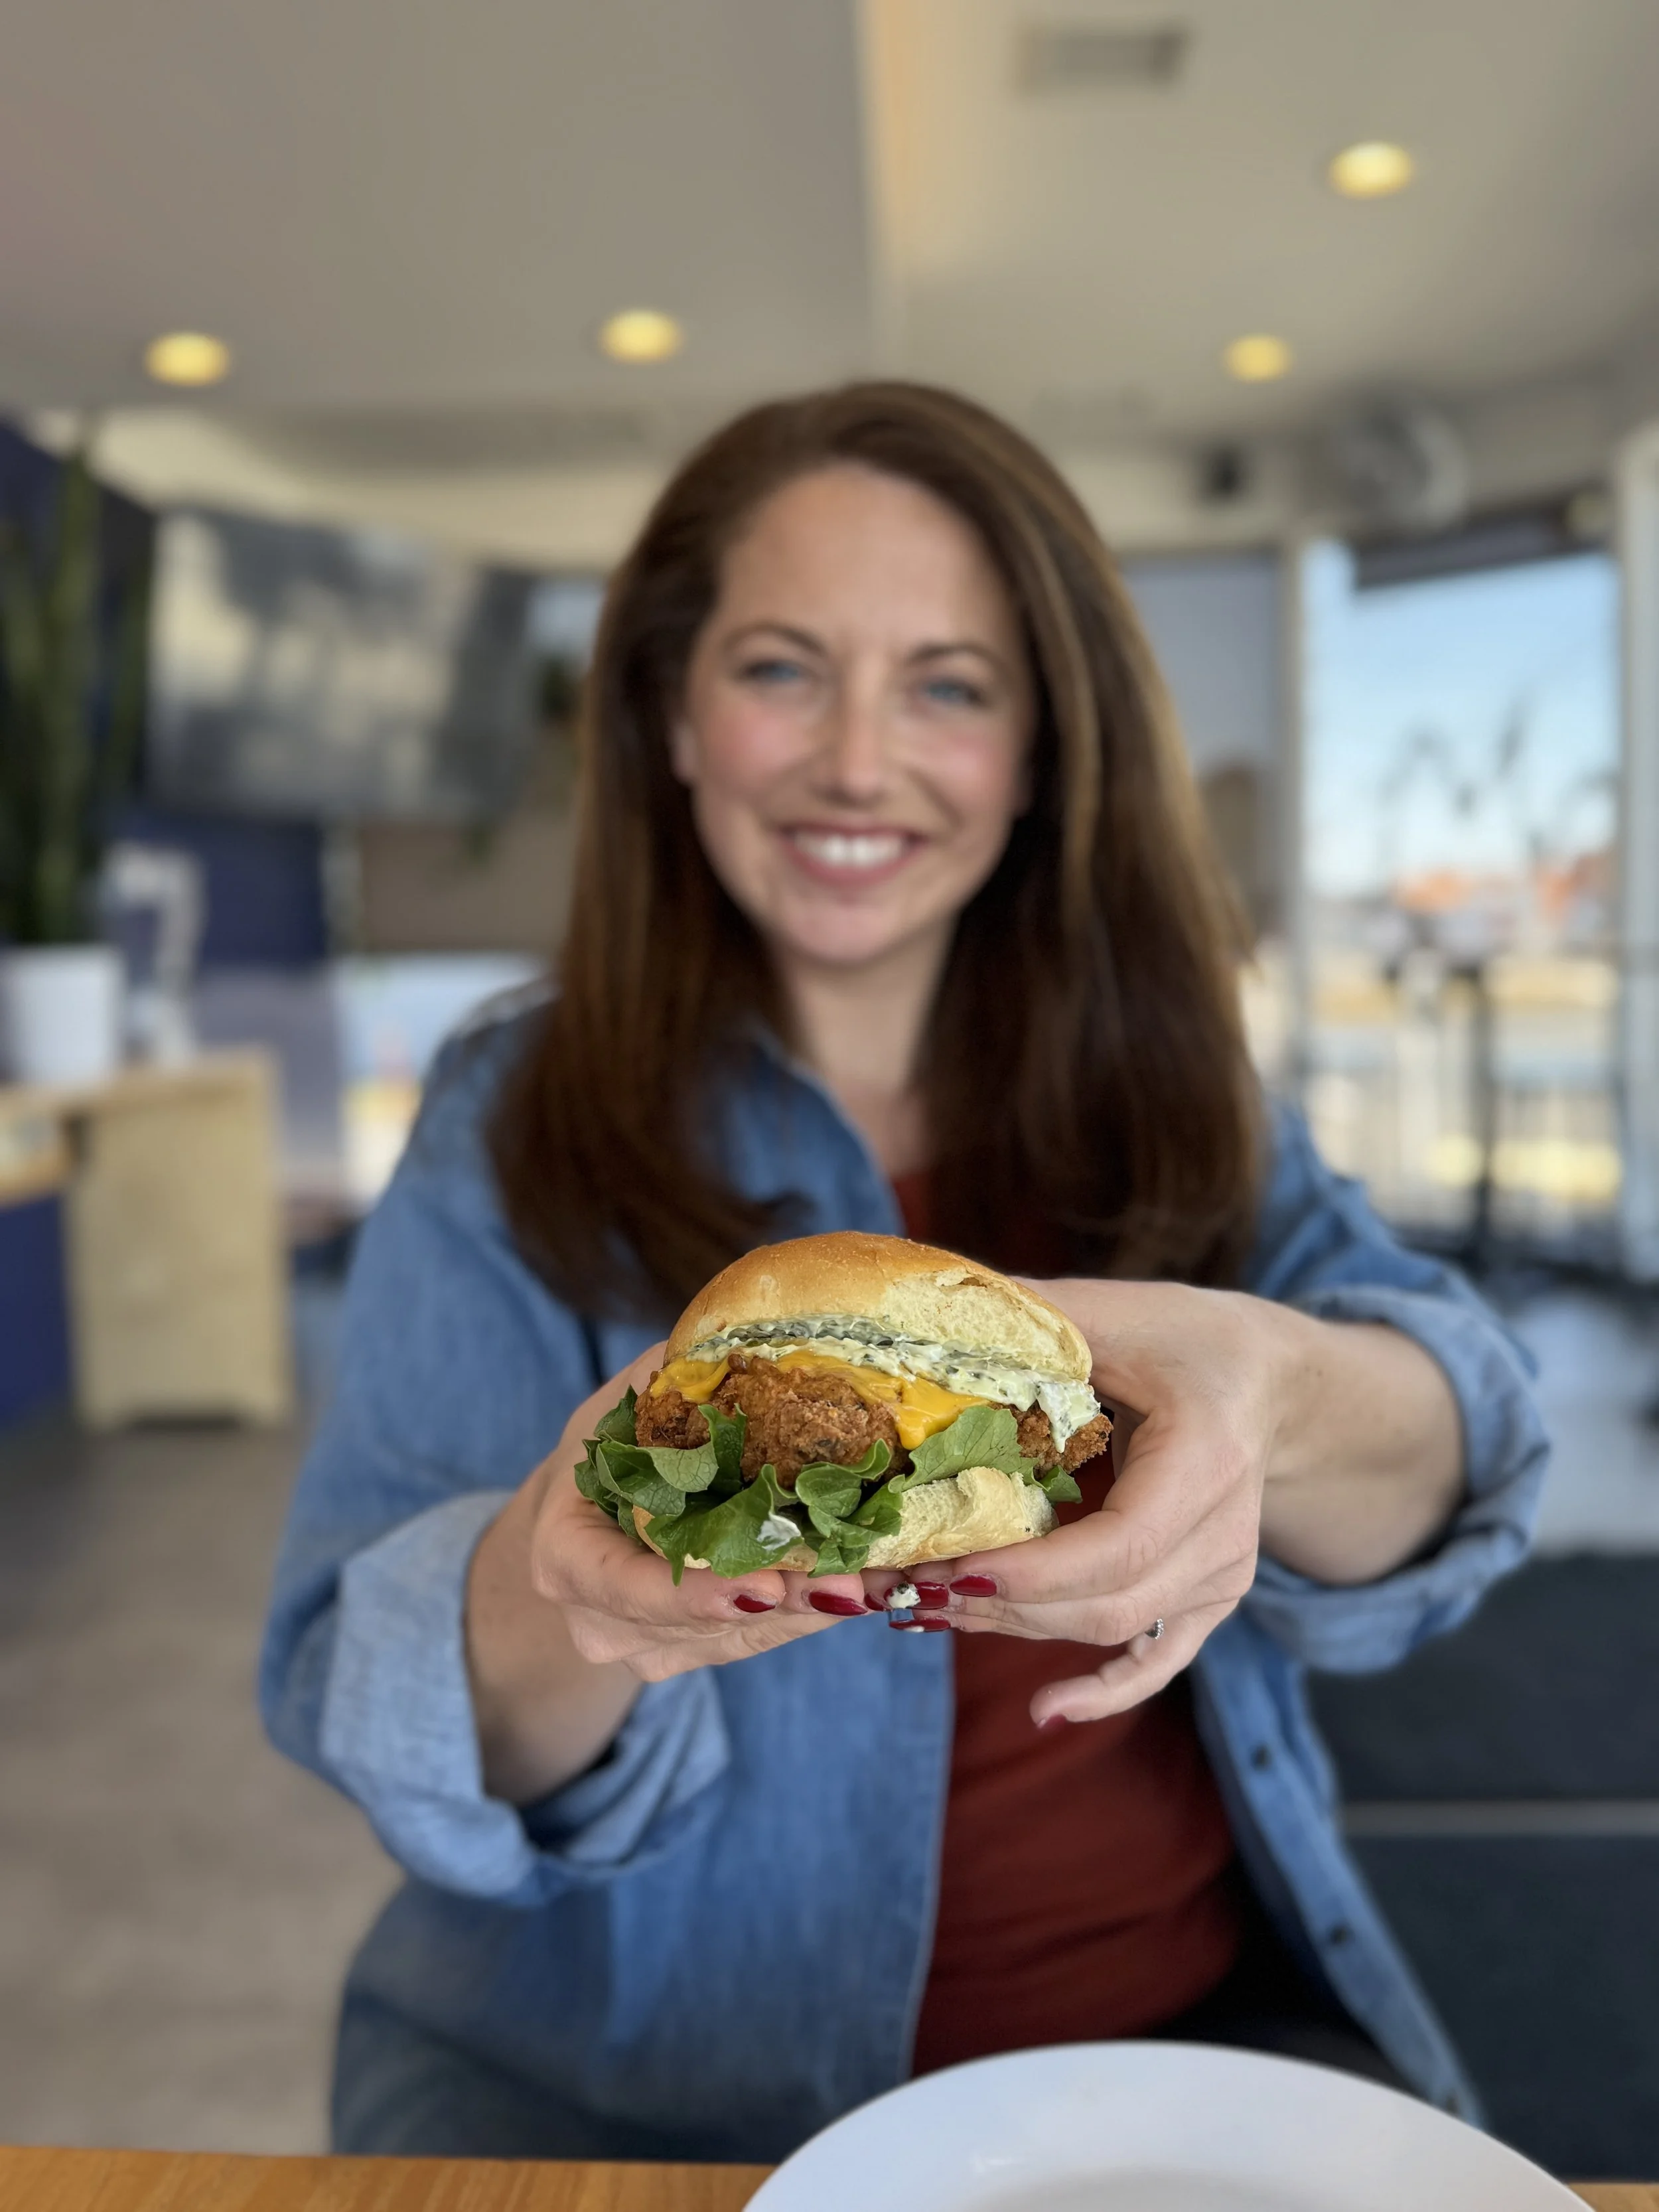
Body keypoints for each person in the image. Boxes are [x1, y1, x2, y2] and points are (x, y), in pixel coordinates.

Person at [261, 382, 1548, 2162]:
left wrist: (1275, 1382)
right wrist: (570, 1572)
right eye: (782, 666)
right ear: (672, 715)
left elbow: (1465, 1445)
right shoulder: (503, 1119)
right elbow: (358, 1686)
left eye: (949, 683)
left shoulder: (1181, 1093)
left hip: (1185, 2050)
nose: (856, 759)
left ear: (1034, 752)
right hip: (619, 2101)